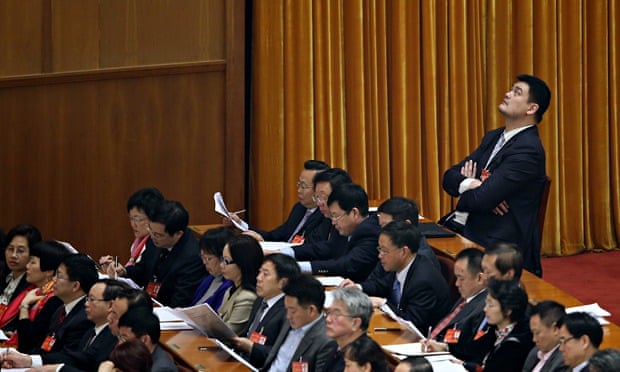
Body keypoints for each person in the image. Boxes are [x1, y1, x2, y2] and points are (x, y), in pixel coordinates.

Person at [442, 74, 551, 277]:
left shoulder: (528, 151)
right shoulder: (494, 137)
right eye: (510, 89)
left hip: (497, 242)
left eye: (516, 92)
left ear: (531, 108)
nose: (507, 94)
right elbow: (449, 177)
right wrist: (474, 184)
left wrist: (481, 193)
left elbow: (479, 200)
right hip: (470, 226)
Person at [341, 221, 451, 331]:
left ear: (403, 251)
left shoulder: (423, 281)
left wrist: (383, 303)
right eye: (379, 249)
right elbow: (382, 285)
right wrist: (358, 287)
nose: (380, 255)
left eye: (384, 250)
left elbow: (412, 322)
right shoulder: (400, 264)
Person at [3, 279, 124, 371]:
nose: (86, 304)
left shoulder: (113, 336)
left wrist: (46, 366)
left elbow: (84, 361)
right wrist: (28, 360)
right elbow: (74, 359)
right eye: (87, 299)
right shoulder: (91, 331)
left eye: (92, 299)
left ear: (110, 305)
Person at [110, 200, 206, 307]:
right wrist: (124, 272)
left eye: (158, 235)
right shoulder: (155, 237)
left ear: (178, 234)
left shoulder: (193, 257)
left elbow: (180, 302)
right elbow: (143, 268)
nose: (152, 237)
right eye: (150, 229)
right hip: (148, 301)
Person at [298, 183, 380, 282]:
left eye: (335, 216)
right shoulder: (347, 228)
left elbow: (347, 264)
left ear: (354, 213)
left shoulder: (371, 232)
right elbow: (329, 248)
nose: (333, 222)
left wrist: (302, 267)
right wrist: (289, 253)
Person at [231, 253, 301, 367]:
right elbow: (249, 333)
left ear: (282, 283)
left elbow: (282, 356)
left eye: (265, 274)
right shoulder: (260, 300)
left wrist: (251, 347)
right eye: (259, 272)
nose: (258, 278)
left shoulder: (288, 312)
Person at [238, 160, 331, 244]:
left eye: (303, 186)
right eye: (298, 184)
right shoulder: (299, 208)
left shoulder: (326, 215)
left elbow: (309, 247)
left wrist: (274, 247)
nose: (298, 190)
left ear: (319, 189)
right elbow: (274, 236)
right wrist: (239, 224)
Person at [261, 274, 336, 372]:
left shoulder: (326, 341)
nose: (288, 316)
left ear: (311, 310)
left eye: (292, 311)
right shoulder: (291, 320)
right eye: (287, 309)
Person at [424, 248, 487, 364]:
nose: (456, 284)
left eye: (461, 278)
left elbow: (466, 349)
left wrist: (444, 347)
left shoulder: (484, 309)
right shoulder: (468, 295)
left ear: (480, 278)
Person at [277, 167, 351, 260]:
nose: (319, 203)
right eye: (317, 197)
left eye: (323, 198)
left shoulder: (349, 223)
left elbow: (330, 249)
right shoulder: (328, 218)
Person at [12, 241, 71, 352]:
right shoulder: (33, 291)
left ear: (49, 271)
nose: (27, 266)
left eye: (32, 262)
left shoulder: (54, 299)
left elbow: (28, 341)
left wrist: (24, 306)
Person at [462, 279, 533, 372]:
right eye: (486, 303)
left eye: (490, 305)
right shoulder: (492, 329)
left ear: (508, 310)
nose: (485, 309)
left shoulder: (515, 347)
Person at [100, 187, 164, 268]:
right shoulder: (137, 243)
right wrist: (114, 267)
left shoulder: (157, 245)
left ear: (154, 218)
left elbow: (142, 277)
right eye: (131, 218)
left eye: (137, 219)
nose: (133, 224)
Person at [376, 197, 440, 272]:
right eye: (381, 226)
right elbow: (376, 280)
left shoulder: (421, 260)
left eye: (386, 226)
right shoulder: (390, 247)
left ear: (406, 224)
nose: (382, 232)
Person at [218, 235, 264, 335]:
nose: (221, 265)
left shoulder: (247, 297)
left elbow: (228, 334)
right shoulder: (231, 289)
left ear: (242, 263)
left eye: (226, 261)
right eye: (222, 259)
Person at [0, 224, 42, 331]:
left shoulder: (33, 285)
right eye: (10, 249)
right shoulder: (2, 274)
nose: (13, 255)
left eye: (20, 251)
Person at [323, 288, 374, 371]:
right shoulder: (336, 345)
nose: (328, 319)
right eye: (328, 313)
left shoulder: (360, 358)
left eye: (336, 314)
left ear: (355, 323)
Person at [117, 308, 177, 372]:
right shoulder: (138, 359)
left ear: (144, 339)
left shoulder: (162, 369)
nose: (120, 344)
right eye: (120, 338)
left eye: (124, 338)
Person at [190, 226, 235, 310]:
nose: (204, 262)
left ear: (224, 257)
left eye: (208, 258)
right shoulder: (210, 278)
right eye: (202, 257)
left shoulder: (230, 285)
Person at [521, 300, 567, 372]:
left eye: (537, 333)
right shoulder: (535, 352)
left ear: (555, 329)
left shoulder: (564, 359)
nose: (534, 339)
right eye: (533, 333)